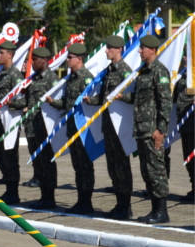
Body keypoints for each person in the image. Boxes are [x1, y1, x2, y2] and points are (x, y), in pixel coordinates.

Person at [120, 34, 171, 224]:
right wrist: (121, 97)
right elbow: (138, 99)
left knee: (157, 171)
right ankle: (154, 209)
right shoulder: (143, 72)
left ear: (152, 50)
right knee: (147, 171)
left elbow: (165, 102)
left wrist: (161, 129)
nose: (140, 51)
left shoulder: (159, 71)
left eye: (142, 48)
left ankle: (162, 211)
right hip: (141, 130)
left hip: (152, 131)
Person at [83, 35, 134, 219]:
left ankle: (126, 206)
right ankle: (119, 203)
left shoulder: (125, 71)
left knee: (122, 167)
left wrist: (123, 97)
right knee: (112, 166)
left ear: (119, 49)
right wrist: (91, 100)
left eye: (109, 48)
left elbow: (133, 96)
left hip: (119, 126)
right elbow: (106, 98)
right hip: (108, 127)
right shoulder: (109, 71)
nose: (106, 51)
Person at [46, 43, 95, 214]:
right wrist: (53, 103)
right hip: (72, 129)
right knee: (77, 166)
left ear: (79, 59)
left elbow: (93, 102)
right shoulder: (71, 78)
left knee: (85, 166)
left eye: (69, 57)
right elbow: (68, 103)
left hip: (83, 130)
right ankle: (80, 200)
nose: (67, 60)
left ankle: (87, 202)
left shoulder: (86, 78)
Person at [0, 41, 26, 205]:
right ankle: (8, 189)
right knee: (1, 157)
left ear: (10, 55)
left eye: (2, 53)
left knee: (11, 157)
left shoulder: (15, 75)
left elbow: (24, 100)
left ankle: (14, 192)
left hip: (9, 122)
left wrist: (10, 104)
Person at [25, 47, 60, 210]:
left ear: (44, 61)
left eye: (35, 59)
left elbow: (56, 103)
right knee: (39, 164)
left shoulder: (52, 79)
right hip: (33, 127)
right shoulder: (34, 79)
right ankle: (43, 196)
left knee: (47, 164)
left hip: (45, 129)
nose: (32, 62)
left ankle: (50, 198)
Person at [174, 58, 194, 202]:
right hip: (184, 124)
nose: (184, 58)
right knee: (188, 159)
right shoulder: (182, 74)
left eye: (187, 55)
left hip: (194, 124)